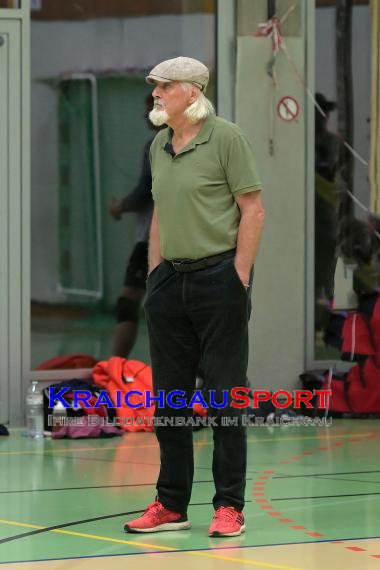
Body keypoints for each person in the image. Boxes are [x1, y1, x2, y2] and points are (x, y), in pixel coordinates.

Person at [124, 56, 265, 537]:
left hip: (218, 279)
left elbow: (253, 210)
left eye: (164, 86)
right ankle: (171, 504)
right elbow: (161, 212)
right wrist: (154, 277)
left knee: (226, 397)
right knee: (170, 400)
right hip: (169, 286)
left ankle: (229, 506)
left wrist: (238, 277)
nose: (156, 94)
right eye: (155, 87)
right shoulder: (160, 144)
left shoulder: (226, 137)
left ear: (191, 91)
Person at [109, 95, 160, 357]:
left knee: (129, 302)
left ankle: (115, 370)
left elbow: (145, 191)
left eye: (150, 108)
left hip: (152, 240)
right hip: (186, 240)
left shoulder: (156, 146)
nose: (146, 114)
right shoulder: (197, 142)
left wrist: (120, 206)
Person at [314, 93, 339, 329]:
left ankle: (324, 323)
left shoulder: (330, 144)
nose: (325, 118)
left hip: (325, 220)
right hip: (305, 222)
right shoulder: (300, 146)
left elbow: (334, 173)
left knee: (325, 274)